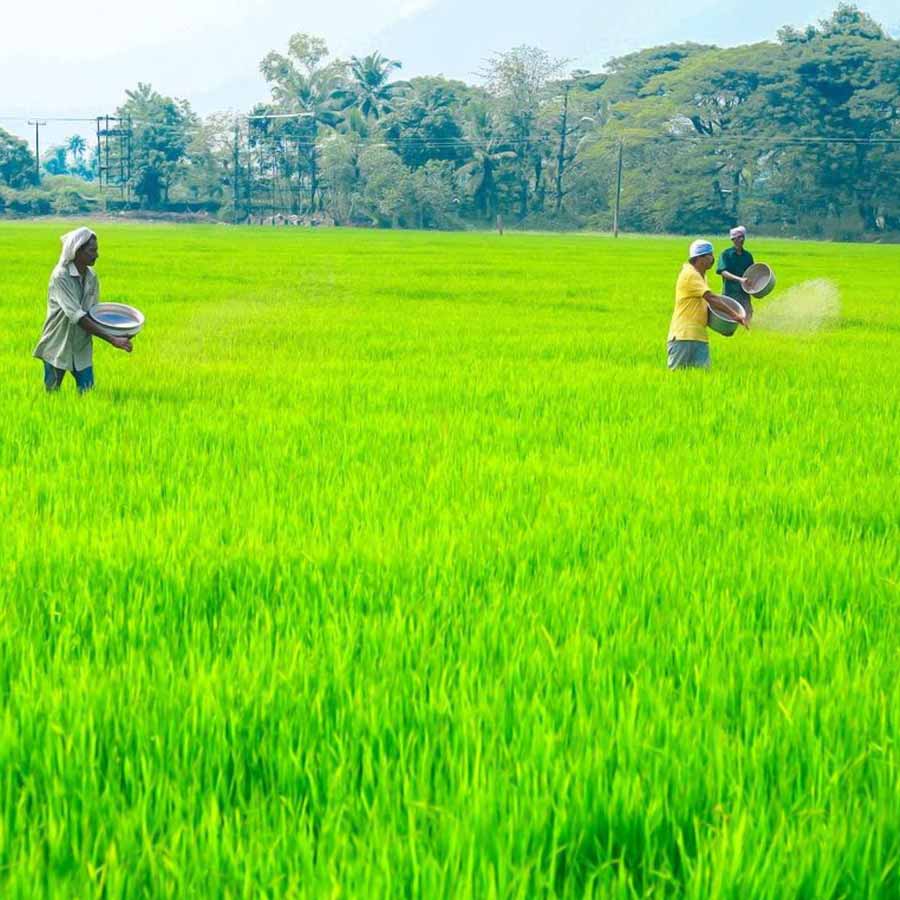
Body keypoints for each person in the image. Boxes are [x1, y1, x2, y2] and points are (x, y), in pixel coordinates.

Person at [33, 227, 132, 393]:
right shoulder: (61, 276)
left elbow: (93, 313)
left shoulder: (91, 276)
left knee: (88, 393)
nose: (97, 255)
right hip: (58, 343)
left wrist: (120, 332)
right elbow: (77, 316)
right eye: (92, 251)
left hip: (81, 344)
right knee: (51, 395)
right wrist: (112, 340)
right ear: (77, 250)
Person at [667, 239, 748, 370]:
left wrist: (723, 326)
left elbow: (705, 307)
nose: (713, 258)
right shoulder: (690, 274)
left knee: (702, 380)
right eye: (709, 255)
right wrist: (735, 315)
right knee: (677, 378)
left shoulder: (700, 276)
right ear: (699, 258)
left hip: (699, 337)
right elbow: (711, 298)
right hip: (683, 336)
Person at [716, 225, 755, 319]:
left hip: (744, 293)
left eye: (742, 237)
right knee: (730, 316)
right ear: (733, 240)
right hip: (730, 292)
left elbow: (752, 272)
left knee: (748, 315)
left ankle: (746, 332)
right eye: (738, 238)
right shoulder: (726, 254)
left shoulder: (748, 256)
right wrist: (740, 279)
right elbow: (723, 272)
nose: (741, 240)